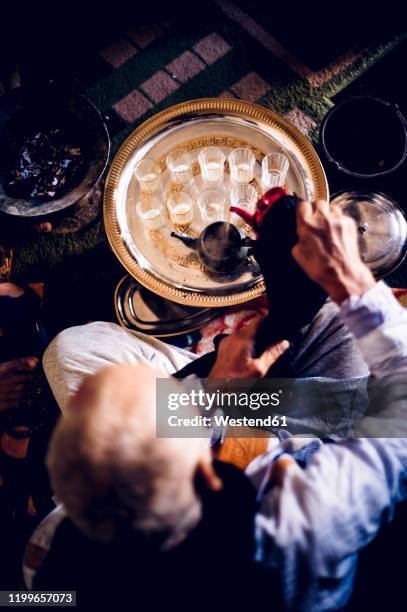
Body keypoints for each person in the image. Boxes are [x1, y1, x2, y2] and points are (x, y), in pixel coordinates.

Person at [34, 199, 407, 610]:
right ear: (206, 471)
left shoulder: (51, 561)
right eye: (168, 400)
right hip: (300, 436)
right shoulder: (309, 520)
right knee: (338, 320)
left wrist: (211, 393)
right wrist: (351, 281)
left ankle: (281, 329)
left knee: (70, 349)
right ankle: (285, 325)